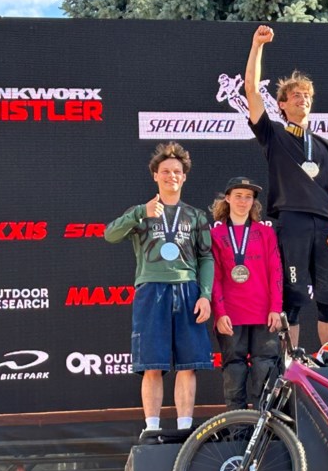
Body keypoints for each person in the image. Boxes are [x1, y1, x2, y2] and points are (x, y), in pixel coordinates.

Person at [244, 24, 328, 350]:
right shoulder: (273, 135)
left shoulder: (327, 145)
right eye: (295, 96)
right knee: (294, 296)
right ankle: (292, 366)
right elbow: (250, 89)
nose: (303, 99)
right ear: (282, 105)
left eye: (307, 96)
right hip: (291, 222)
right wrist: (257, 45)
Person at [104, 142, 214, 442]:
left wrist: (205, 295)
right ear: (155, 176)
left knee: (188, 365)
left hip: (187, 289)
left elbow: (206, 257)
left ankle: (184, 427)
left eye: (176, 172)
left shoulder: (195, 216)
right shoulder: (141, 212)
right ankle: (151, 427)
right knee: (152, 364)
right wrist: (140, 212)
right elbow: (109, 234)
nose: (171, 176)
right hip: (151, 289)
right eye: (165, 171)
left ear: (184, 177)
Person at [209, 176, 284, 410]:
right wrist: (219, 313)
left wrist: (275, 309)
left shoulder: (265, 233)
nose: (243, 201)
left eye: (248, 197)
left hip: (263, 313)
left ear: (254, 203)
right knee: (234, 369)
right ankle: (237, 430)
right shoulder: (216, 234)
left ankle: (264, 433)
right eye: (238, 196)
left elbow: (276, 272)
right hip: (231, 314)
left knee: (265, 368)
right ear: (228, 199)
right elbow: (215, 278)